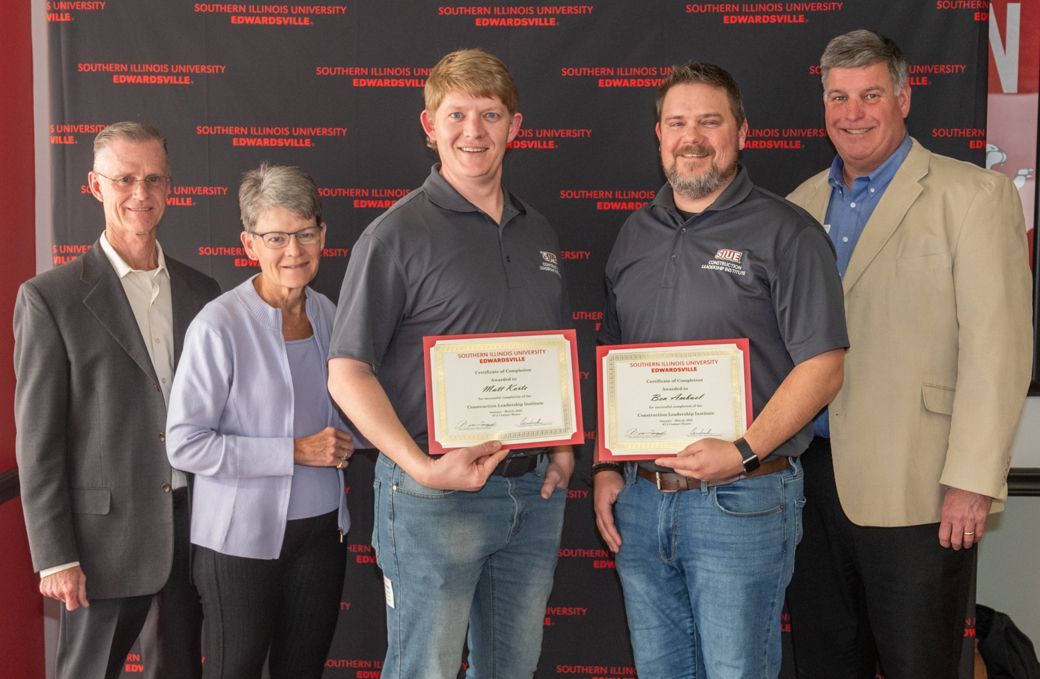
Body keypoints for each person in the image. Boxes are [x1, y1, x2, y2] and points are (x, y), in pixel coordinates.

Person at [784, 30, 1033, 679]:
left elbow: (998, 349)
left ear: (904, 96)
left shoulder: (973, 197)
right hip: (808, 486)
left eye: (870, 94)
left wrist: (974, 481)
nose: (853, 112)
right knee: (825, 663)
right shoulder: (798, 206)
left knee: (922, 665)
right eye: (838, 96)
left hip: (920, 489)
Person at [592, 62, 848, 678]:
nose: (692, 136)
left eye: (710, 120)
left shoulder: (787, 231)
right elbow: (613, 356)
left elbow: (824, 365)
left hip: (743, 499)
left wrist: (743, 450)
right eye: (678, 122)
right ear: (659, 135)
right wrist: (604, 464)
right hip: (643, 498)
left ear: (741, 133)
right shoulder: (635, 234)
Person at [327, 48, 574, 679]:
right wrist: (421, 468)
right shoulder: (394, 236)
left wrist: (565, 442)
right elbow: (347, 371)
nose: (474, 131)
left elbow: (549, 352)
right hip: (433, 500)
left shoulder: (538, 232)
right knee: (424, 671)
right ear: (429, 125)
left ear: (515, 128)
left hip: (532, 490)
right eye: (456, 113)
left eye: (490, 114)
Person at [13, 121, 220, 679]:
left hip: (193, 530)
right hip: (102, 540)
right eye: (125, 178)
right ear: (95, 186)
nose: (141, 194)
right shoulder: (49, 298)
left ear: (171, 187)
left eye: (154, 179)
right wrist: (55, 554)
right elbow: (39, 441)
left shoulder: (203, 292)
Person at [166, 163, 354, 679]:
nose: (292, 251)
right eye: (275, 237)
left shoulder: (331, 314)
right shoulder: (218, 324)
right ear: (249, 243)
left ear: (323, 236)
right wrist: (294, 450)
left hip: (321, 535)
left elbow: (351, 420)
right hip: (238, 543)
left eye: (304, 234)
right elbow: (185, 445)